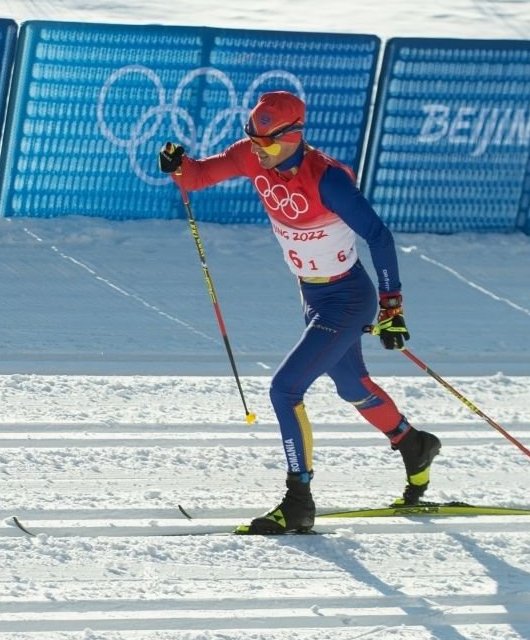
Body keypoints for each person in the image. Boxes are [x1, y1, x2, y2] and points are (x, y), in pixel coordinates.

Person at [159, 90, 441, 534]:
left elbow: (380, 236)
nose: (257, 150)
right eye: (252, 139)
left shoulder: (328, 179)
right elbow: (195, 177)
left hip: (348, 297)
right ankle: (414, 444)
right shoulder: (252, 156)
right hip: (312, 295)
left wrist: (392, 307)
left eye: (267, 143)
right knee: (352, 385)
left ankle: (298, 501)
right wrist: (178, 164)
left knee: (284, 389)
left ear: (294, 136)